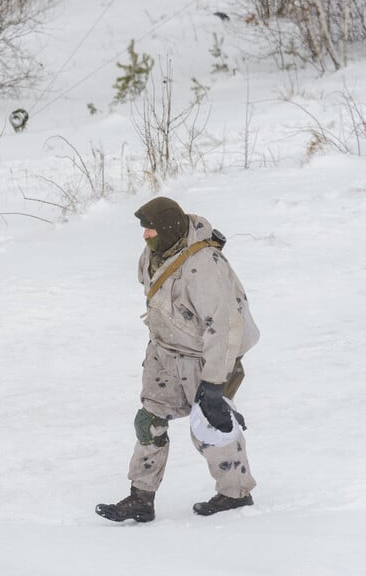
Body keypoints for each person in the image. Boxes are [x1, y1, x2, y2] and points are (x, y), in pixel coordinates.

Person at [95, 197, 260, 523]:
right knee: (148, 422)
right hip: (163, 353)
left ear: (169, 230)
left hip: (204, 357)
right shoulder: (155, 254)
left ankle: (235, 493)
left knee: (211, 427)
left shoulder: (203, 267)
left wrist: (214, 382)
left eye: (151, 230)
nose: (145, 236)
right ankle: (141, 497)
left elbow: (225, 325)